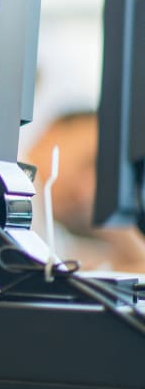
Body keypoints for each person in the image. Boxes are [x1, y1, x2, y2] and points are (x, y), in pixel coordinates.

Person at [23, 110, 145, 273]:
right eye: (92, 162)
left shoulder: (54, 239)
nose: (87, 194)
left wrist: (112, 214)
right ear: (54, 131)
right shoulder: (12, 177)